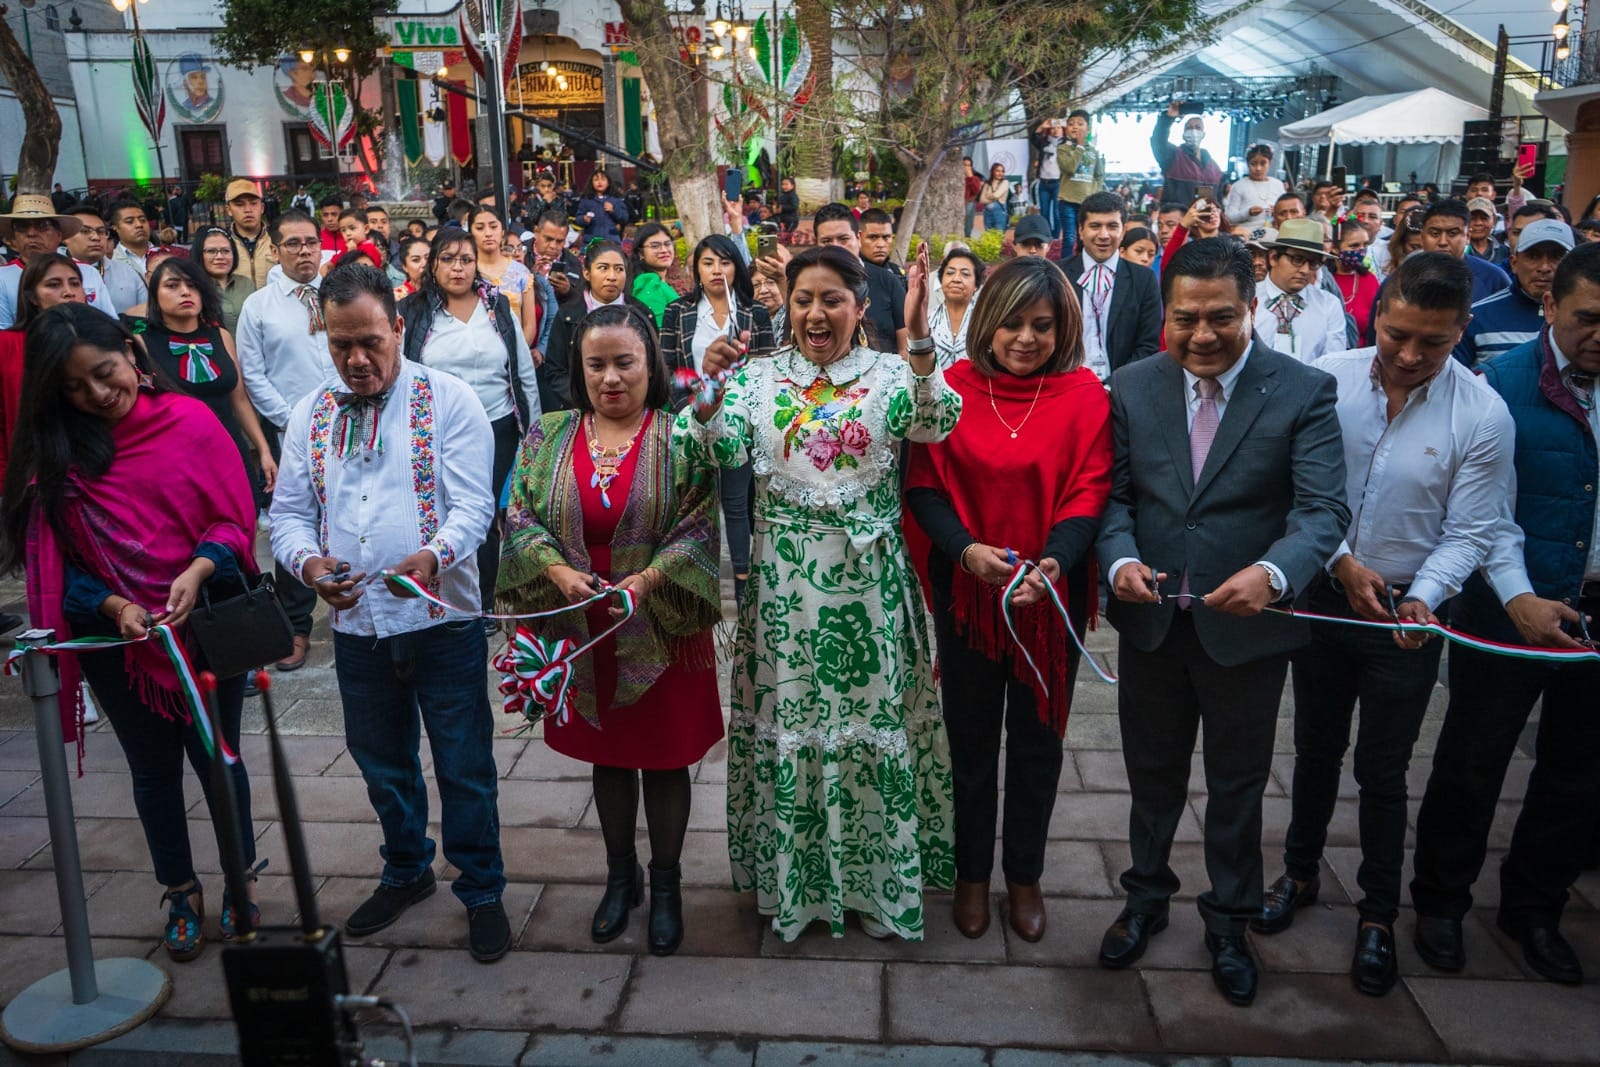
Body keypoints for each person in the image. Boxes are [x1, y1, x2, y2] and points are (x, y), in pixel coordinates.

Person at [681, 245, 961, 941]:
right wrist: (709, 392)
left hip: (870, 590)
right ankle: (798, 892)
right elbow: (712, 451)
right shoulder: (757, 376)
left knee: (871, 734)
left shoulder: (894, 373)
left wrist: (920, 339)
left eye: (832, 298)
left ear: (860, 308)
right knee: (796, 734)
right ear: (787, 306)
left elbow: (937, 421)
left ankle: (877, 887)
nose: (815, 312)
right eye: (803, 298)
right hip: (785, 596)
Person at [1094, 238, 1349, 1006]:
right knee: (1152, 776)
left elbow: (1322, 510)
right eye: (1185, 318)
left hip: (1248, 630)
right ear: (1166, 314)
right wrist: (1117, 560)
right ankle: (1144, 898)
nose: (1202, 335)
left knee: (1237, 784)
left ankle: (1230, 920)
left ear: (1252, 308)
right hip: (1153, 624)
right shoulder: (1134, 386)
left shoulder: (1302, 391)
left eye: (1221, 318)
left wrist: (1274, 574)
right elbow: (1114, 499)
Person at [1254, 253, 1515, 997]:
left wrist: (1424, 597)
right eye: (1398, 334)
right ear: (1377, 312)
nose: (1408, 356)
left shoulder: (1481, 411)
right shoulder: (1329, 378)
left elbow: (1472, 530)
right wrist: (1338, 563)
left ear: (1461, 330)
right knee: (1313, 747)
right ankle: (1299, 873)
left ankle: (1375, 912)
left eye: (1432, 343)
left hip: (1410, 613)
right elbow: (1302, 488)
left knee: (1384, 768)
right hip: (1326, 593)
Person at [0, 303, 262, 961]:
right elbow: (56, 568)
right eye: (74, 387)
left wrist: (200, 568)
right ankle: (179, 889)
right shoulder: (59, 451)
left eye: (104, 372)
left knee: (218, 758)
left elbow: (235, 520)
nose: (97, 394)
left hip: (203, 629)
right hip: (117, 643)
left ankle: (239, 881)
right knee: (151, 770)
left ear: (130, 351)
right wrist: (115, 603)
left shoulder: (191, 422)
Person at [269, 265, 510, 963]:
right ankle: (406, 868)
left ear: (399, 328)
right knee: (381, 761)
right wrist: (310, 566)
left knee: (463, 762)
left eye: (371, 341)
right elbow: (288, 515)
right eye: (342, 344)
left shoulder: (451, 399)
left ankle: (483, 887)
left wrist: (435, 554)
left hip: (445, 621)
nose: (357, 359)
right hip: (357, 627)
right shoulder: (311, 412)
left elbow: (474, 506)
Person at [498, 303, 721, 955]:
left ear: (651, 365)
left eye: (625, 362)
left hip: (660, 616)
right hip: (582, 619)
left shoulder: (680, 435)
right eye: (596, 364)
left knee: (665, 757)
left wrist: (648, 581)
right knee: (610, 756)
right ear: (579, 368)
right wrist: (558, 573)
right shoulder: (548, 434)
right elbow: (518, 514)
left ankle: (669, 885)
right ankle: (619, 878)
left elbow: (700, 525)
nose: (611, 378)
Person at [904, 254, 1112, 942]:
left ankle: (1024, 875)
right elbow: (925, 485)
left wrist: (1055, 562)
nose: (1027, 338)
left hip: (1049, 597)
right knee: (969, 744)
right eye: (1015, 323)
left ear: (1064, 328)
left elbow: (1090, 489)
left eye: (1044, 325)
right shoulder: (951, 388)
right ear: (988, 321)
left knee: (1036, 747)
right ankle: (971, 875)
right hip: (969, 595)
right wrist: (964, 549)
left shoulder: (1084, 394)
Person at [1408, 241, 1600, 987]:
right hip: (1505, 604)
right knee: (1472, 759)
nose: (1599, 334)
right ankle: (1441, 902)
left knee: (1577, 773)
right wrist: (1518, 595)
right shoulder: (1496, 391)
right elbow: (1479, 515)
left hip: (1592, 611)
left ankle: (1535, 908)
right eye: (1587, 318)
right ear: (1549, 305)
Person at [397, 227, 539, 612]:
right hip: (436, 429)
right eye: (448, 259)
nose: (457, 268)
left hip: (498, 427)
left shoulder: (498, 309)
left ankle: (485, 602)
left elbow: (522, 373)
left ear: (476, 265)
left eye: (466, 260)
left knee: (484, 512)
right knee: (440, 510)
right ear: (433, 265)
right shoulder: (413, 312)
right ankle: (437, 591)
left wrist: (535, 432)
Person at [235, 210, 333, 671]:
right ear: (275, 249)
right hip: (291, 430)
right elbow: (253, 375)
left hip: (350, 422)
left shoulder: (337, 292)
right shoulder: (260, 306)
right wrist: (296, 420)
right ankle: (295, 626)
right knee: (295, 523)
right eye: (293, 243)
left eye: (310, 242)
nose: (304, 251)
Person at [660, 234, 776, 603]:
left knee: (737, 503)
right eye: (708, 262)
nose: (716, 270)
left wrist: (746, 415)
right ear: (696, 268)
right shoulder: (678, 311)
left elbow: (765, 371)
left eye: (724, 262)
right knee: (692, 503)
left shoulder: (753, 313)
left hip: (742, 422)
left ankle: (743, 584)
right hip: (692, 416)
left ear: (736, 267)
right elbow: (668, 368)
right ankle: (691, 582)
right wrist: (689, 409)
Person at [137, 255, 274, 492]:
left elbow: (239, 399)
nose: (185, 292)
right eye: (172, 285)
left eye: (193, 286)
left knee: (244, 519)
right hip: (178, 458)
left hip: (230, 448)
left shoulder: (221, 336)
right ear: (154, 295)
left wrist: (263, 450)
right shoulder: (142, 343)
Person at [0, 254, 88, 484]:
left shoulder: (102, 344)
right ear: (32, 296)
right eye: (54, 284)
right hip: (27, 479)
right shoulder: (6, 345)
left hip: (93, 476)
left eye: (75, 283)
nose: (69, 292)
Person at [539, 240, 649, 413]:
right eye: (603, 268)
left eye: (619, 269)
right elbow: (556, 371)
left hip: (633, 409)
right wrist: (586, 401)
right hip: (582, 409)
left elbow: (653, 365)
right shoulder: (568, 315)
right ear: (587, 273)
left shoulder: (641, 314)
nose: (612, 276)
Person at [1065, 191, 1161, 382]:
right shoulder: (1059, 275)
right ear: (1081, 230)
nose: (1103, 235)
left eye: (1112, 226)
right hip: (1068, 388)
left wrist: (1115, 386)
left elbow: (1148, 345)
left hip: (1124, 388)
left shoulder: (1143, 279)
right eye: (1095, 226)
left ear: (1123, 231)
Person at [1454, 218, 1573, 368]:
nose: (1544, 267)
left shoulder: (1588, 318)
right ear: (1514, 263)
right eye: (1533, 256)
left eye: (1557, 256)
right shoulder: (1475, 317)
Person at [0, 196, 116, 327]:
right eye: (21, 227)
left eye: (42, 226)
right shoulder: (2, 277)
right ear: (13, 238)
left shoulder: (88, 272)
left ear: (59, 235)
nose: (31, 233)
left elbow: (110, 323)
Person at [812, 203, 907, 357]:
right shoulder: (806, 284)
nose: (836, 248)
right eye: (827, 241)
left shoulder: (888, 281)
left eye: (843, 239)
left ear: (858, 238)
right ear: (815, 242)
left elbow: (905, 346)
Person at [1257, 219, 1347, 363]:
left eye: (1313, 263)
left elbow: (1333, 363)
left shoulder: (1328, 305)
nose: (1305, 270)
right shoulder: (1246, 299)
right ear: (1273, 258)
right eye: (1297, 259)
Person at [468, 206, 553, 353]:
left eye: (493, 227)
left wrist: (516, 355)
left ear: (501, 231)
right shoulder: (466, 271)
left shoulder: (521, 273)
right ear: (471, 233)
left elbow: (529, 326)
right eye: (480, 228)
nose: (488, 233)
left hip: (515, 354)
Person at [65, 203, 147, 315]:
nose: (95, 237)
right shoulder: (52, 273)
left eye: (101, 231)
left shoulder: (127, 271)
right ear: (65, 236)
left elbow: (147, 314)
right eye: (85, 231)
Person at [1150, 102, 1223, 207]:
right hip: (1177, 218)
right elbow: (1158, 140)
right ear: (1183, 134)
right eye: (1189, 127)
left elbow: (1218, 199)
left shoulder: (1214, 167)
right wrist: (1168, 118)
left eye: (1198, 127)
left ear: (1203, 134)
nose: (1194, 130)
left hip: (1203, 219)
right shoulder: (1172, 155)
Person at [190, 227, 255, 335]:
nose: (220, 257)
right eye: (211, 251)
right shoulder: (192, 287)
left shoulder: (246, 284)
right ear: (199, 254)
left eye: (225, 251)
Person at [929, 246, 983, 367]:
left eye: (965, 274)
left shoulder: (985, 322)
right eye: (950, 273)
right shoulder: (927, 321)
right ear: (941, 280)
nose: (956, 279)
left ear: (976, 285)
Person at [1329, 219, 1380, 345]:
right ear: (1335, 248)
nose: (1361, 251)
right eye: (1354, 246)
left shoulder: (1370, 281)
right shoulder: (1323, 280)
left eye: (1365, 245)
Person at [628, 221, 690, 326]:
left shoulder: (658, 282)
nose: (664, 250)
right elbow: (659, 332)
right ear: (640, 253)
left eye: (667, 244)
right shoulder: (649, 285)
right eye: (655, 246)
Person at [221, 181, 276, 291]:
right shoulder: (222, 244)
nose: (248, 210)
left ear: (262, 208)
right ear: (229, 210)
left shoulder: (277, 240)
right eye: (239, 204)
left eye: (253, 203)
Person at [1223, 145, 1286, 228]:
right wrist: (1247, 213)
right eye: (1253, 164)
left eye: (1263, 163)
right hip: (1246, 233)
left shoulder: (1278, 185)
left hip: (1274, 231)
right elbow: (1228, 217)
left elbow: (1286, 212)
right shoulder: (1239, 186)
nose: (1258, 168)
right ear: (1248, 164)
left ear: (1269, 163)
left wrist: (1277, 211)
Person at [576, 170, 629, 244]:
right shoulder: (586, 200)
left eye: (603, 179)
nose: (599, 182)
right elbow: (578, 219)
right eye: (596, 180)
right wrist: (584, 219)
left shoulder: (616, 200)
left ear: (609, 183)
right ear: (591, 183)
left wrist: (613, 211)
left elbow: (625, 218)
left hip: (611, 240)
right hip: (591, 241)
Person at [859, 208, 902, 277]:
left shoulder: (897, 272)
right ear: (859, 238)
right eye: (873, 237)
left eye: (886, 237)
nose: (881, 245)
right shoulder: (851, 276)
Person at [1466, 198, 1508, 266]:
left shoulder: (1504, 252)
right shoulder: (1459, 250)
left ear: (1494, 221)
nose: (1478, 223)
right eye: (1472, 218)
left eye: (1484, 218)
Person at [979, 163, 1012, 235]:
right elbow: (981, 200)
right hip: (987, 214)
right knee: (989, 237)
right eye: (997, 171)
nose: (1000, 173)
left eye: (1002, 171)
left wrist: (987, 195)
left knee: (998, 236)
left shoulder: (1004, 182)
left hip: (999, 214)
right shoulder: (987, 184)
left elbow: (996, 195)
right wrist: (992, 196)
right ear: (992, 171)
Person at [963, 158, 982, 239]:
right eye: (965, 165)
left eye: (969, 165)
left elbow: (976, 190)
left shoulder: (975, 178)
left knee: (969, 223)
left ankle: (968, 237)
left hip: (968, 203)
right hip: (956, 204)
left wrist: (970, 177)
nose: (967, 167)